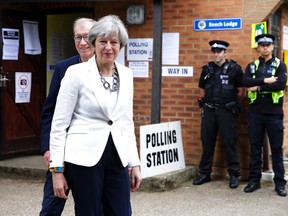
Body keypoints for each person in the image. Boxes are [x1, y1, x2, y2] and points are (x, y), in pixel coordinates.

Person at [49, 14, 142, 216]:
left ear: (121, 45)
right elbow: (59, 124)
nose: (108, 47)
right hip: (83, 159)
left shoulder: (127, 75)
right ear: (94, 43)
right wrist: (57, 170)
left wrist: (134, 162)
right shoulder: (75, 73)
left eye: (114, 42)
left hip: (117, 156)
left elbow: (126, 121)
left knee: (121, 212)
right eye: (103, 41)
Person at [39, 17, 97, 215]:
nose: (82, 43)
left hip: (91, 155)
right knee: (50, 208)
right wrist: (47, 147)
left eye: (87, 37)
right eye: (78, 37)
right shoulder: (64, 68)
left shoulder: (110, 69)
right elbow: (50, 111)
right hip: (62, 151)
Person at [193, 40, 243, 189]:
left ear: (225, 52)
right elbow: (202, 89)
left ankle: (234, 174)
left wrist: (235, 104)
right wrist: (204, 105)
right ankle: (205, 173)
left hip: (226, 111)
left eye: (219, 51)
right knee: (207, 143)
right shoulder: (207, 69)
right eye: (214, 51)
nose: (216, 54)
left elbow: (241, 90)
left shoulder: (234, 69)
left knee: (230, 143)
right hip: (209, 111)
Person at [243, 34, 287, 197]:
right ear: (258, 47)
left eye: (268, 45)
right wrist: (266, 80)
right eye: (262, 45)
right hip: (255, 113)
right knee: (255, 147)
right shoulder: (252, 66)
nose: (265, 48)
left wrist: (259, 87)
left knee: (276, 148)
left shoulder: (280, 65)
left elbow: (280, 84)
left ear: (272, 47)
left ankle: (280, 183)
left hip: (274, 113)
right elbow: (245, 82)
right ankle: (254, 181)